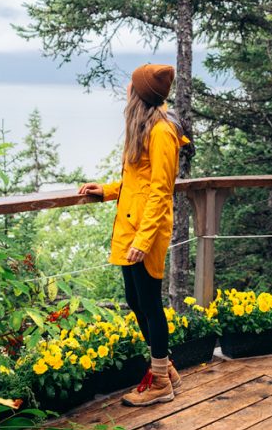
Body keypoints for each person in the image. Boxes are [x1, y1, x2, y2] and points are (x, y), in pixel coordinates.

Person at [78, 63, 190, 406]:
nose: (127, 88)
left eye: (131, 84)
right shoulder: (145, 126)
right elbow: (137, 181)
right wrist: (107, 190)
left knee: (150, 304)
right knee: (136, 300)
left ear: (139, 94)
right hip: (132, 226)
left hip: (147, 232)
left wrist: (143, 241)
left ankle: (160, 383)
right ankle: (165, 367)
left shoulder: (161, 133)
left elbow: (160, 191)